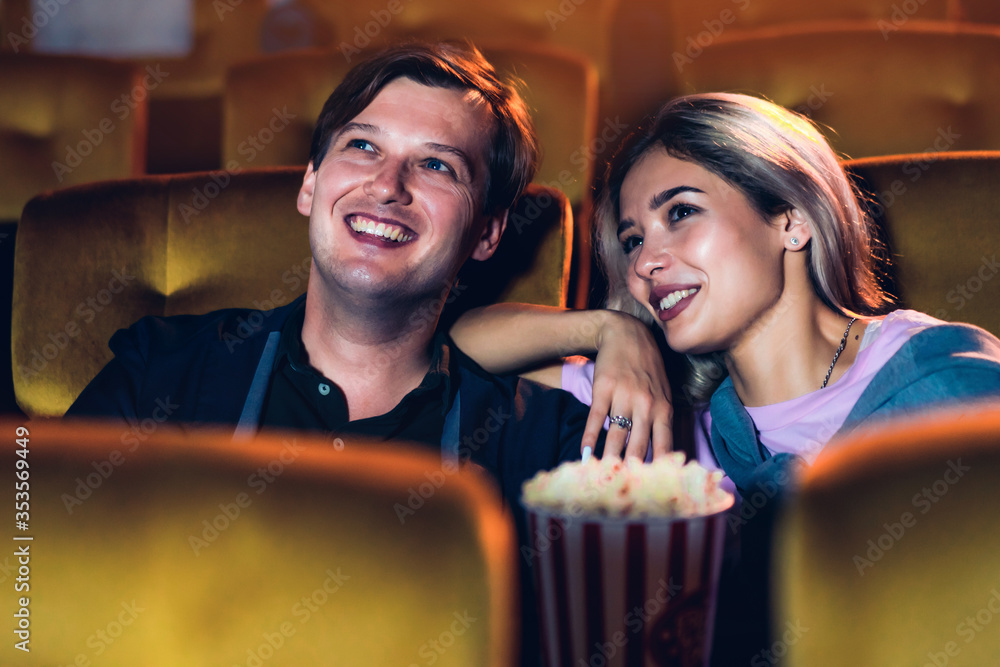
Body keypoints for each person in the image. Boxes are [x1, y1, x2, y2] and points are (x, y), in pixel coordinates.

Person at [65, 40, 636, 666]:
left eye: (438, 166)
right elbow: (30, 577)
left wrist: (620, 332)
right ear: (311, 183)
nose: (387, 186)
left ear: (487, 233)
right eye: (363, 146)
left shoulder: (545, 450)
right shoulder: (159, 369)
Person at [450, 92, 1000, 662]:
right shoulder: (666, 400)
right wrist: (610, 330)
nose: (643, 263)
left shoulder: (937, 376)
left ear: (793, 220)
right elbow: (455, 350)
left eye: (681, 213)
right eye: (633, 239)